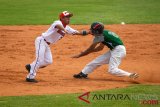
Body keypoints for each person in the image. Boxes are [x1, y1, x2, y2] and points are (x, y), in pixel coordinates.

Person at [25, 11, 89, 82]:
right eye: (66, 17)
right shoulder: (57, 22)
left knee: (48, 61)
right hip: (41, 41)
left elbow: (77, 32)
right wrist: (64, 30)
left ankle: (31, 66)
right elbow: (59, 26)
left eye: (69, 17)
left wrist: (89, 32)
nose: (68, 19)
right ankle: (30, 77)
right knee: (39, 60)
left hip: (46, 44)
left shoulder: (67, 28)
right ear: (61, 18)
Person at [73, 22, 139, 79]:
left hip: (118, 51)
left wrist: (80, 55)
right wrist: (77, 33)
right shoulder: (103, 33)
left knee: (112, 70)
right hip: (115, 50)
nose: (91, 31)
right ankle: (83, 74)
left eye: (93, 30)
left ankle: (131, 75)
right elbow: (100, 48)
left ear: (97, 31)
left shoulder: (99, 37)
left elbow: (91, 48)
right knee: (96, 61)